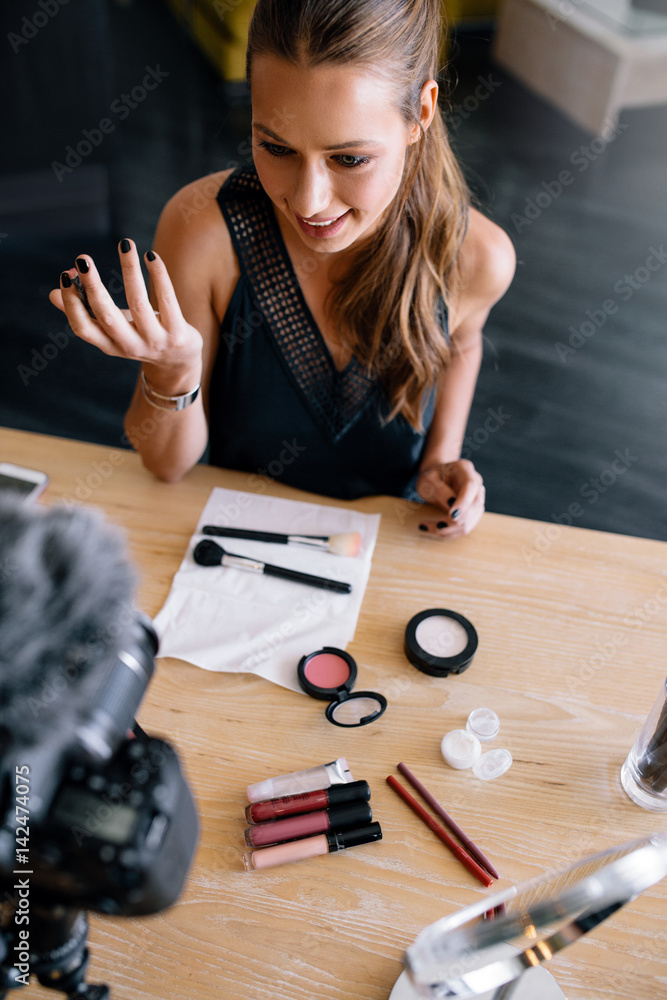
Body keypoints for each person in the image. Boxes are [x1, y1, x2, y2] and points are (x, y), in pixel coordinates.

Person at [49, 0, 515, 539]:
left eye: (349, 159)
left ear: (421, 114)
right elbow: (166, 466)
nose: (309, 201)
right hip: (235, 544)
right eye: (276, 146)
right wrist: (172, 374)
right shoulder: (204, 232)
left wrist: (440, 463)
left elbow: (462, 341)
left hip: (382, 548)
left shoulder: (477, 258)